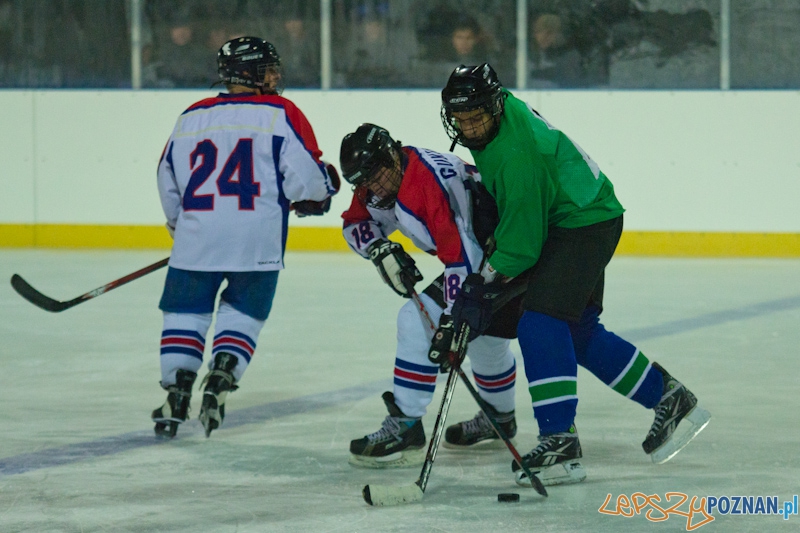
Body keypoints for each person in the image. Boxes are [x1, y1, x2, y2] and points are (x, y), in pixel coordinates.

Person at [440, 64, 711, 486]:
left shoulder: (516, 154)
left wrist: (484, 280)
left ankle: (559, 439)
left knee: (540, 322)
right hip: (575, 212)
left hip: (581, 221)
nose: (471, 128)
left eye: (477, 116)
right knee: (576, 330)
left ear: (494, 105)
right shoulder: (498, 113)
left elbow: (522, 247)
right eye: (462, 119)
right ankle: (669, 398)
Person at [152, 36, 340, 439]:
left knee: (186, 313)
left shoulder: (191, 116)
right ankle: (222, 375)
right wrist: (323, 190)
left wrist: (179, 228)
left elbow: (167, 179)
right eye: (269, 69)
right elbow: (307, 180)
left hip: (196, 241)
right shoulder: (281, 112)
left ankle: (177, 389)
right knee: (242, 310)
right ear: (250, 73)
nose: (275, 76)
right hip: (256, 242)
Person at [340, 123, 524, 468]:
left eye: (378, 175)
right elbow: (355, 222)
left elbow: (462, 259)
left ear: (393, 155)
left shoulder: (425, 184)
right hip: (494, 248)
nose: (375, 187)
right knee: (486, 339)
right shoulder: (378, 180)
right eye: (365, 181)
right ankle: (500, 417)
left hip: (501, 252)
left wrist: (453, 323)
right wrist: (379, 248)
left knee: (416, 321)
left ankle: (406, 424)